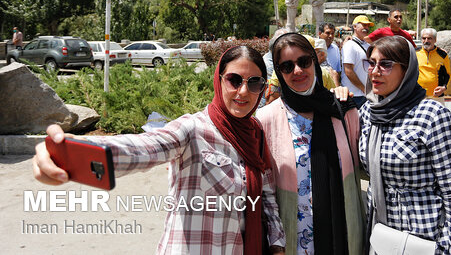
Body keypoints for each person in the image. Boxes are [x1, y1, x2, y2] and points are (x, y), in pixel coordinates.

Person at [33, 46, 286, 254]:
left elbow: (266, 194)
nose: (243, 91)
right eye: (234, 80)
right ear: (219, 81)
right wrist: (70, 153)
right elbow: (145, 147)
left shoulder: (255, 133)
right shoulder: (193, 129)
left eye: (254, 83)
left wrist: (277, 244)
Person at [358, 36, 451, 254]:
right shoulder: (368, 112)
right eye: (371, 63)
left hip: (422, 233)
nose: (374, 71)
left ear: (407, 69)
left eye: (386, 64)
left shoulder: (432, 115)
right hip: (378, 230)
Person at [256, 33, 366, 255]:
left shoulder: (343, 109)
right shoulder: (265, 119)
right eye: (287, 66)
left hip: (342, 233)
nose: (297, 71)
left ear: (315, 62)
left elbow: (366, 164)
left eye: (304, 62)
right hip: (292, 240)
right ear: (279, 72)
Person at [342, 15, 373, 108]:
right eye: (363, 25)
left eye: (368, 26)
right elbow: (348, 71)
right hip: (354, 95)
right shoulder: (349, 45)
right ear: (355, 27)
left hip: (365, 94)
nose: (366, 28)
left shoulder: (367, 45)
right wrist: (363, 88)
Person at [416, 28, 451, 97]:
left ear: (435, 40)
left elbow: (448, 75)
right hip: (417, 95)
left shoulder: (442, 55)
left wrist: (444, 88)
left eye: (429, 38)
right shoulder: (415, 53)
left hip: (436, 95)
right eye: (424, 38)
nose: (426, 41)